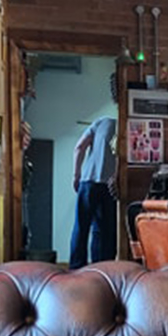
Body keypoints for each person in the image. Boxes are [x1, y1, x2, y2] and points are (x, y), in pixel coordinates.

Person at [69, 115, 118, 269]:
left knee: (81, 226)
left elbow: (79, 147)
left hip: (88, 181)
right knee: (104, 231)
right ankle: (101, 269)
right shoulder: (125, 128)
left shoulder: (101, 122)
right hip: (110, 184)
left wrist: (76, 175)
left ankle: (76, 267)